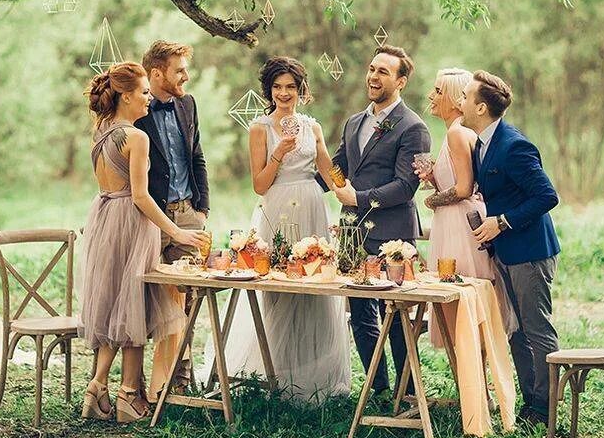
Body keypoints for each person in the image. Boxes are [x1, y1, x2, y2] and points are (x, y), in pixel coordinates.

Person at [201, 57, 351, 402]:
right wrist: (279, 154)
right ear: (269, 90)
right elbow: (259, 184)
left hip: (312, 204)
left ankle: (314, 375)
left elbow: (329, 171)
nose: (284, 94)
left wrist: (353, 195)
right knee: (278, 288)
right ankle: (276, 374)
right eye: (277, 87)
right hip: (278, 207)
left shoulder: (312, 127)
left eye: (290, 87)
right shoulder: (259, 128)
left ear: (301, 90)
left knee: (315, 284)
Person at [79, 62, 208, 422]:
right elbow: (140, 196)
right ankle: (129, 397)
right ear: (126, 95)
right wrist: (178, 231)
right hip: (131, 223)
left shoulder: (101, 131)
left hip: (104, 216)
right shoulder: (137, 137)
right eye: (144, 93)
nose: (148, 99)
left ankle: (98, 386)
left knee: (116, 303)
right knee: (133, 303)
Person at [320, 44, 431, 398]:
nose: (373, 76)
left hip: (393, 233)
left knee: (396, 313)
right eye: (371, 69)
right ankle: (377, 386)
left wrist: (360, 198)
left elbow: (406, 186)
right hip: (352, 230)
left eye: (383, 71)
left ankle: (408, 389)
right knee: (360, 311)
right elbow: (339, 167)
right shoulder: (354, 122)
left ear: (401, 81)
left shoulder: (414, 127)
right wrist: (297, 174)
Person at [459, 70, 561, 427]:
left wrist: (500, 222)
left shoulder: (513, 145)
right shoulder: (482, 143)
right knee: (517, 329)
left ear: (481, 107)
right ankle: (532, 407)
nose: (461, 101)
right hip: (506, 252)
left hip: (531, 252)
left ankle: (548, 411)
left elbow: (547, 196)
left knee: (536, 329)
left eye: (466, 96)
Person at [134, 40, 210, 397]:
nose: (186, 76)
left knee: (188, 297)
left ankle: (178, 383)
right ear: (156, 73)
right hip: (150, 217)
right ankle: (139, 384)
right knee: (145, 299)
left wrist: (202, 210)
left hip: (188, 214)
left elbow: (197, 157)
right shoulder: (135, 108)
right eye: (179, 70)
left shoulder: (188, 104)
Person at [420, 68, 518, 340]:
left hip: (458, 228)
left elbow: (464, 189)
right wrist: (434, 178)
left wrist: (432, 199)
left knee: (462, 309)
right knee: (471, 312)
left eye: (438, 91)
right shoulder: (461, 132)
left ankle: (472, 378)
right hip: (459, 220)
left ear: (453, 99)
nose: (432, 95)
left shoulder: (456, 133)